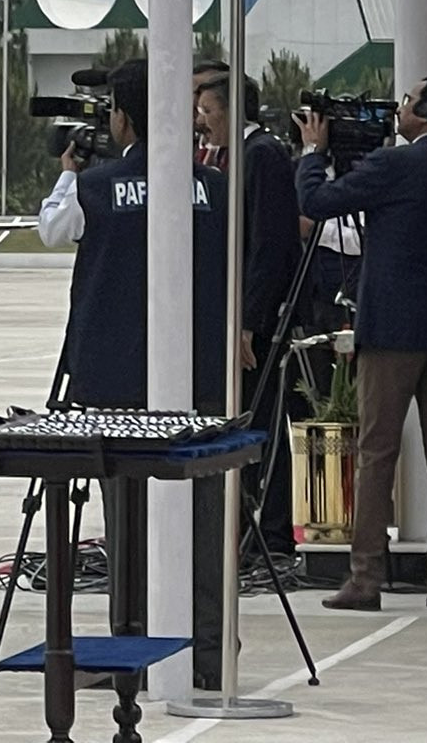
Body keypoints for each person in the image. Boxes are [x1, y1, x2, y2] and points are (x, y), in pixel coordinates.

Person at [38, 60, 228, 688]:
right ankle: (204, 654)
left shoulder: (97, 184)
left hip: (114, 380)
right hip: (197, 377)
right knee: (201, 521)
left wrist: (68, 175)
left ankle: (134, 658)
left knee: (129, 528)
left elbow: (52, 231)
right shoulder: (211, 185)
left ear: (120, 116)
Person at [295, 76, 427, 610]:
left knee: (377, 451)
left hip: (393, 329)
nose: (397, 109)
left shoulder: (394, 164)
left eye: (405, 102)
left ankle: (366, 578)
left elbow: (317, 201)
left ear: (424, 115)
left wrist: (315, 151)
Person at [194, 70, 303, 560]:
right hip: (236, 312)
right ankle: (244, 531)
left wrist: (250, 321)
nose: (202, 122)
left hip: (257, 320)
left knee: (262, 425)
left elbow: (268, 246)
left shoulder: (262, 154)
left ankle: (273, 535)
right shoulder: (235, 156)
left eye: (208, 111)